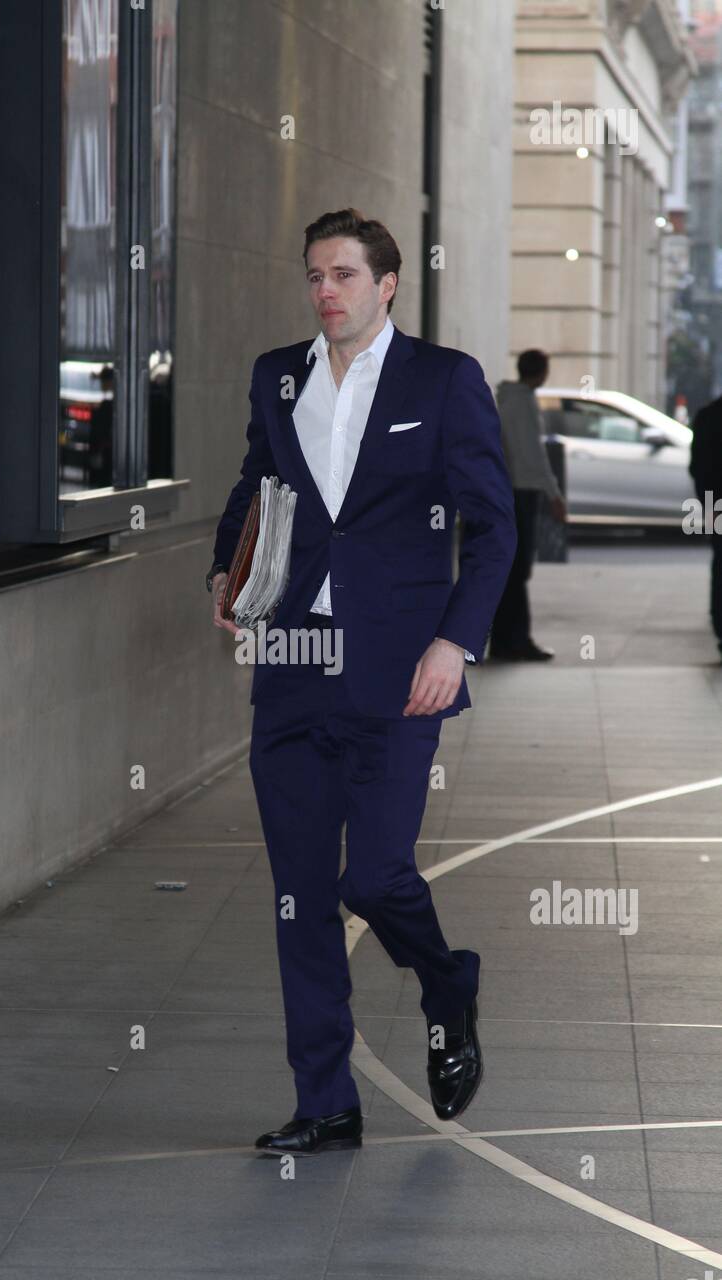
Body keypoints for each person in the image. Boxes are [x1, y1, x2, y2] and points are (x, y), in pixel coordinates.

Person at [206, 208, 517, 1154]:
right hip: (295, 664)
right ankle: (326, 1102)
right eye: (313, 275)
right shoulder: (279, 375)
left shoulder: (444, 379)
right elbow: (258, 485)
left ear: (386, 284)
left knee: (374, 874)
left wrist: (452, 644)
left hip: (397, 668)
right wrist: (227, 571)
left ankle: (446, 982)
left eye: (343, 274)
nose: (325, 290)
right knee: (300, 894)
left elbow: (494, 526)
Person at [490, 349, 567, 661]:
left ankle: (503, 641)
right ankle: (516, 641)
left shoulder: (506, 398)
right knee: (518, 571)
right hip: (521, 493)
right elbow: (532, 456)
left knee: (510, 571)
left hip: (508, 491)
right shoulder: (522, 403)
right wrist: (554, 494)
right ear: (541, 371)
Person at [688, 393, 722, 661]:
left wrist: (706, 500)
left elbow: (697, 467)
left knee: (720, 561)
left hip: (717, 502)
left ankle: (720, 622)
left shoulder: (706, 416)